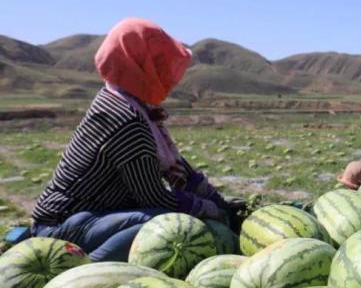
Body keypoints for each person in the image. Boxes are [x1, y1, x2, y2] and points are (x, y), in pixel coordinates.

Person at [30, 18, 242, 261]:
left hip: (85, 217)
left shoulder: (121, 99)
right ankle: (83, 268)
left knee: (170, 218)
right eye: (162, 64)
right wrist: (208, 210)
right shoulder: (126, 120)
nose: (171, 76)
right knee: (162, 224)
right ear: (144, 66)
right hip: (61, 227)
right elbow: (154, 198)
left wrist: (218, 202)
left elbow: (181, 170)